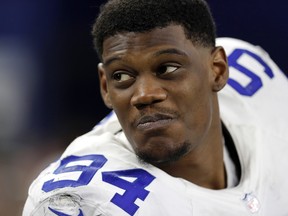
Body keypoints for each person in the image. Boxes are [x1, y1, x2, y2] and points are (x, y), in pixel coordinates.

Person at [23, 0, 288, 215]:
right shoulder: (80, 200)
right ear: (105, 87)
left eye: (168, 68)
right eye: (122, 76)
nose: (144, 95)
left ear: (217, 71)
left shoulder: (255, 80)